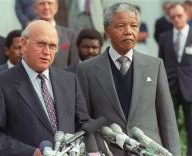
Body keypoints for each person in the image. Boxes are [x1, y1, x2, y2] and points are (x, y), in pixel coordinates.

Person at [77, 2, 181, 156]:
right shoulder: (87, 69)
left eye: (134, 25)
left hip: (149, 151)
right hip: (108, 151)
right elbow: (84, 121)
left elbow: (168, 120)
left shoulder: (155, 65)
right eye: (121, 26)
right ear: (107, 31)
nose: (128, 31)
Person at [0, 20, 90, 156]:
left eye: (52, 46)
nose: (47, 52)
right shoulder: (0, 83)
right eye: (41, 44)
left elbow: (83, 125)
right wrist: (31, 153)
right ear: (24, 44)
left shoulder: (69, 80)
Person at [158, 3, 192, 156]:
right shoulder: (164, 37)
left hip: (190, 88)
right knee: (169, 126)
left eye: (179, 15)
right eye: (172, 17)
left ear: (187, 14)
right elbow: (161, 62)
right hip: (170, 88)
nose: (176, 19)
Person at [33, 0, 79, 68]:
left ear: (56, 8)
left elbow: (74, 66)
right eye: (42, 4)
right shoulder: (27, 34)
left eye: (50, 3)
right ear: (35, 9)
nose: (46, 7)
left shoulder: (70, 35)